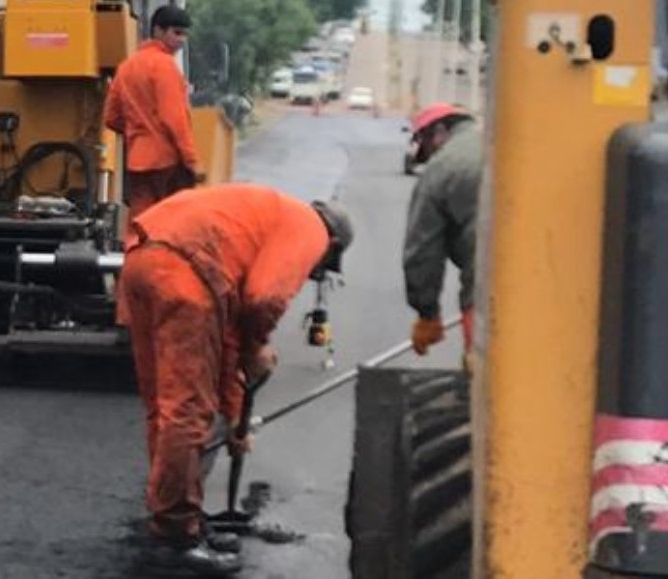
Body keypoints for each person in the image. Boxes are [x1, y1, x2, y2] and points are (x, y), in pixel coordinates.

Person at [120, 183, 353, 575]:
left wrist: (233, 418)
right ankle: (176, 537)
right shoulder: (309, 227)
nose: (314, 271)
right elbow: (264, 299)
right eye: (321, 264)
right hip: (186, 272)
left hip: (143, 258)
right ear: (330, 241)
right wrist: (258, 345)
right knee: (187, 412)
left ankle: (170, 515)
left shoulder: (263, 218)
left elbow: (227, 339)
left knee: (164, 405)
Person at [103, 4, 200, 221]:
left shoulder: (127, 66)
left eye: (185, 35)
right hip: (166, 161)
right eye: (177, 33)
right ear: (158, 30)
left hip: (137, 159)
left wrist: (137, 131)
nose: (182, 40)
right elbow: (174, 119)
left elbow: (111, 117)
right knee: (170, 221)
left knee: (141, 218)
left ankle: (136, 254)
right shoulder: (165, 66)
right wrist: (191, 159)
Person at [402, 103, 483, 359]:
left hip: (486, 288)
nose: (430, 156)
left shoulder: (442, 167)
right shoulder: (504, 135)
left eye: (427, 148)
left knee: (483, 374)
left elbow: (422, 250)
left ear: (439, 131)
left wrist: (427, 314)